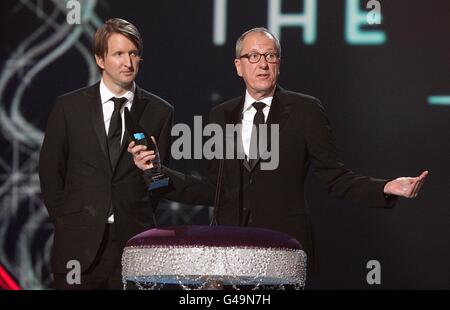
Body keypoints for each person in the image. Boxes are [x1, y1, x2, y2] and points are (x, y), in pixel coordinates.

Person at [128, 27, 427, 274]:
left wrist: (386, 188)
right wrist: (154, 172)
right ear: (238, 66)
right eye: (254, 56)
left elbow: (335, 177)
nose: (263, 64)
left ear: (279, 63)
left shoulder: (305, 110)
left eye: (271, 56)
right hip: (231, 253)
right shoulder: (221, 115)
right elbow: (212, 189)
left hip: (285, 249)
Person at [39, 18, 173, 289]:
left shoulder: (159, 112)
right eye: (119, 54)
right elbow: (50, 172)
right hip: (77, 245)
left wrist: (136, 212)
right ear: (100, 59)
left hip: (133, 246)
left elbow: (159, 184)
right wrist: (70, 223)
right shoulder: (69, 107)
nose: (128, 62)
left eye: (134, 54)